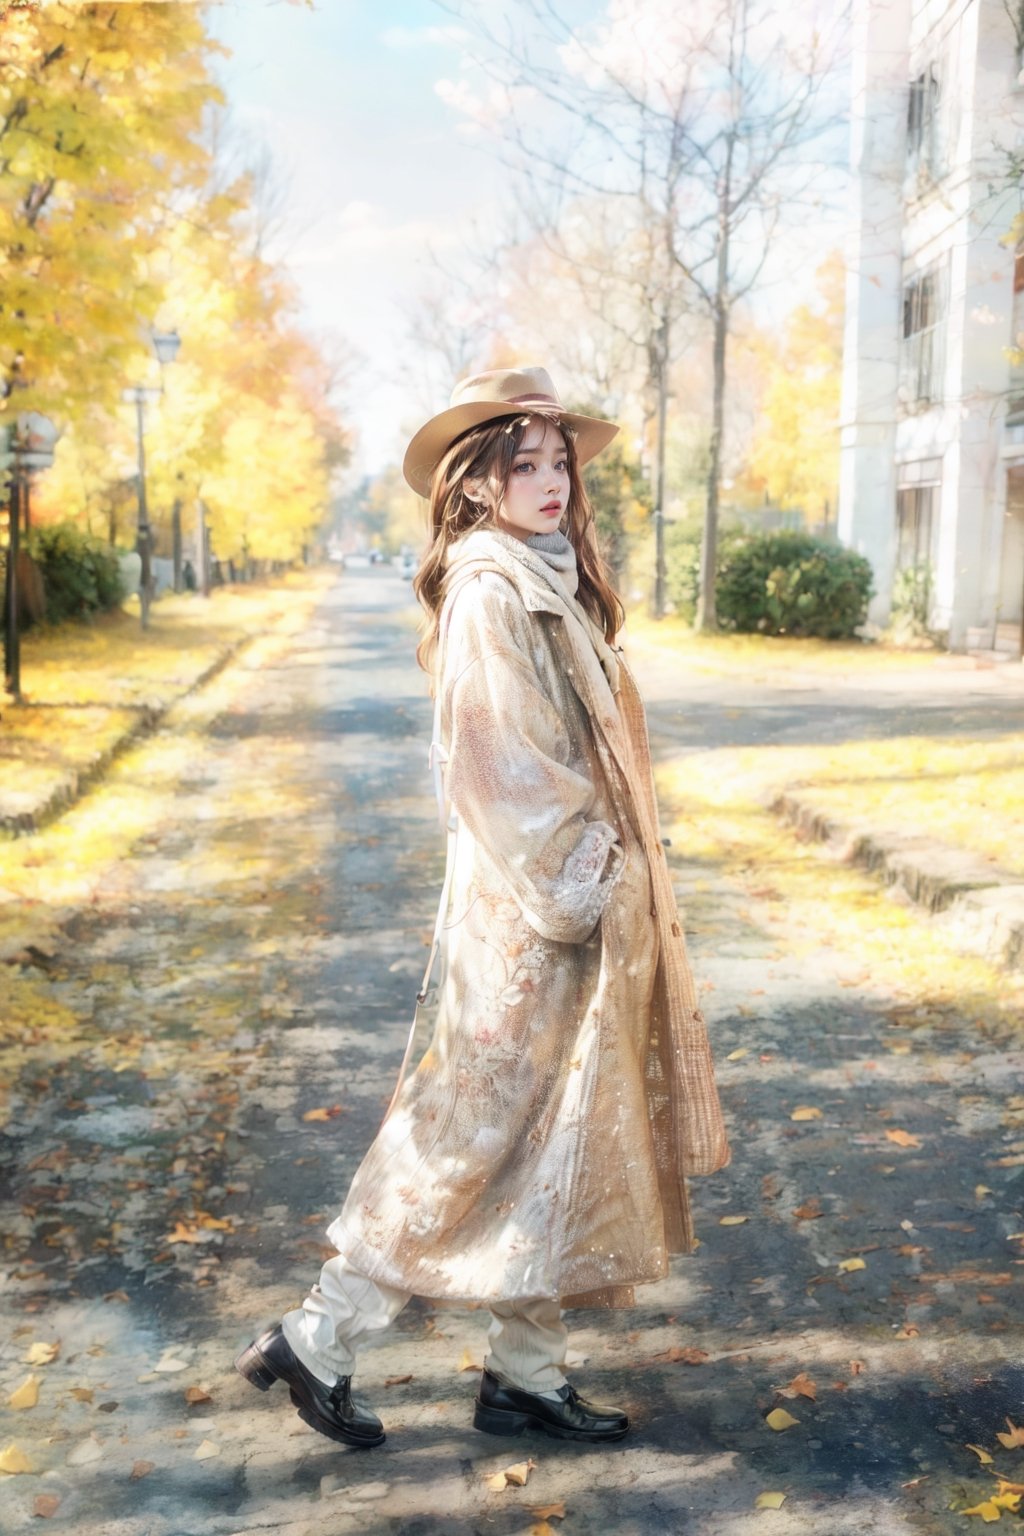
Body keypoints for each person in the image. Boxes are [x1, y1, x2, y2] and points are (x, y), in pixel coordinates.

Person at [235, 365, 730, 1448]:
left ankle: (524, 1376)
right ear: (476, 482)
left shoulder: (541, 572)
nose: (551, 480)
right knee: (465, 1133)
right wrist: (592, 875)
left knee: (555, 1138)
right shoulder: (490, 590)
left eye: (559, 461)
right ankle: (314, 1339)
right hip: (529, 921)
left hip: (571, 919)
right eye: (525, 462)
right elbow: (500, 767)